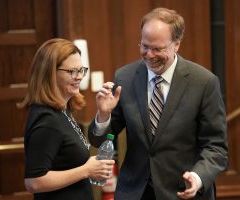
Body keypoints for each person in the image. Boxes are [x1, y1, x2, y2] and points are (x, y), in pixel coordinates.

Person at [88, 7, 228, 200]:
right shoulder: (125, 78)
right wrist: (103, 117)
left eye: (158, 49)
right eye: (145, 46)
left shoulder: (204, 83)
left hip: (183, 192)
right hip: (136, 192)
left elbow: (216, 147)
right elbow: (105, 139)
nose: (149, 55)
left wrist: (197, 176)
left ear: (176, 44)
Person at [18, 38, 115, 200]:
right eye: (72, 72)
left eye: (81, 70)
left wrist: (103, 113)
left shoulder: (63, 110)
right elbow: (34, 182)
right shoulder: (47, 119)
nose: (79, 77)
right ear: (50, 73)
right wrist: (86, 170)